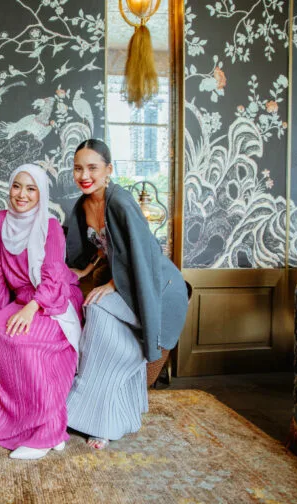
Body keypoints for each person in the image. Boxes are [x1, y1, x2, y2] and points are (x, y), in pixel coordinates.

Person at [65, 139, 188, 450]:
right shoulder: (83, 205)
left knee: (97, 311)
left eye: (92, 168)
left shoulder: (120, 201)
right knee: (97, 318)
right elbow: (103, 246)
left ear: (109, 170)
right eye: (78, 168)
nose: (84, 175)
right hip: (126, 280)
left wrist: (113, 285)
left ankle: (98, 419)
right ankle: (107, 413)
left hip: (156, 285)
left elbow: (142, 253)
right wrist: (85, 270)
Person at [0, 164, 83, 460]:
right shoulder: (1, 220)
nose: (22, 194)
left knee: (24, 340)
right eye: (17, 186)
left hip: (53, 299)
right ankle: (19, 423)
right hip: (22, 299)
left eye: (31, 189)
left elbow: (54, 276)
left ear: (41, 194)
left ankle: (49, 430)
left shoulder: (50, 227)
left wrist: (32, 308)